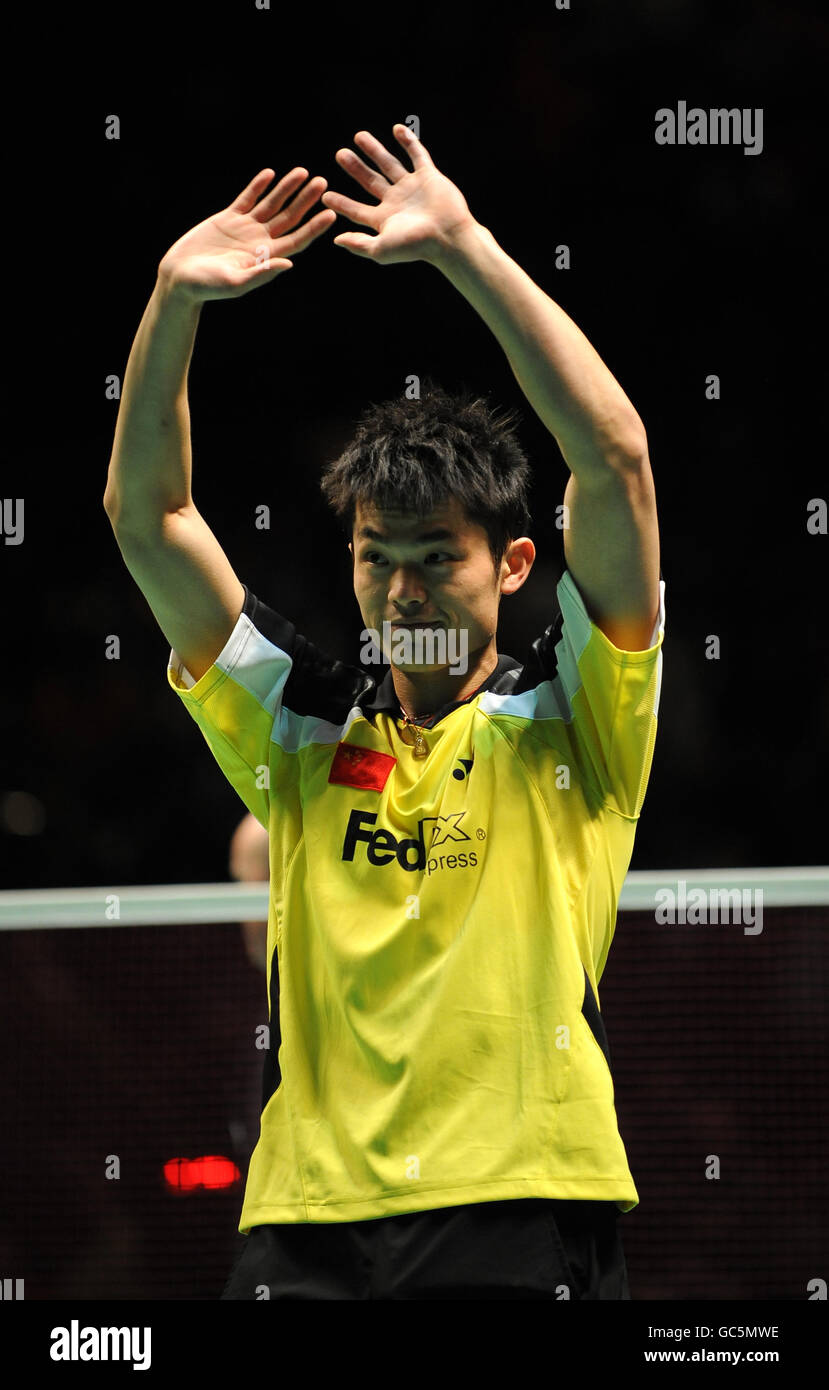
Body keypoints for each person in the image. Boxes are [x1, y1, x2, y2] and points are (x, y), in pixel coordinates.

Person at [103, 124, 664, 1300]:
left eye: (435, 558)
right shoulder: (301, 726)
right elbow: (148, 519)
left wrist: (465, 248)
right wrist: (172, 303)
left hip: (517, 1201)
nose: (400, 586)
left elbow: (613, 457)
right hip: (306, 1220)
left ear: (514, 565)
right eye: (376, 556)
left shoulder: (574, 719)